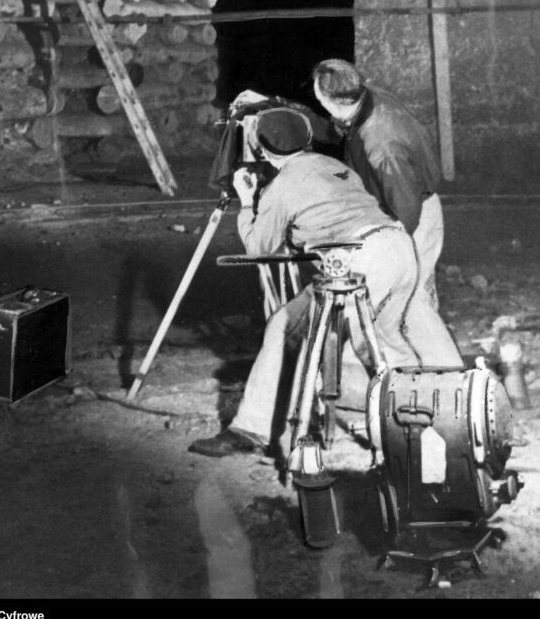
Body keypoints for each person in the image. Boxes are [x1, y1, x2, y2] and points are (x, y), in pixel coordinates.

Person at [189, 107, 462, 459]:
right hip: (399, 249)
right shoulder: (337, 167)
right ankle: (422, 424)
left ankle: (297, 435)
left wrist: (246, 202)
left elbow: (260, 246)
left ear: (265, 152)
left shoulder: (283, 184)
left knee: (318, 341)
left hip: (362, 260)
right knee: (364, 340)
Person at [312, 58, 445, 312]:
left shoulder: (381, 144)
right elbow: (335, 128)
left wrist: (385, 251)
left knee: (410, 304)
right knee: (406, 301)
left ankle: (424, 349)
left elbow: (406, 211)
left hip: (414, 215)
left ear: (330, 101)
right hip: (401, 199)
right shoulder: (365, 96)